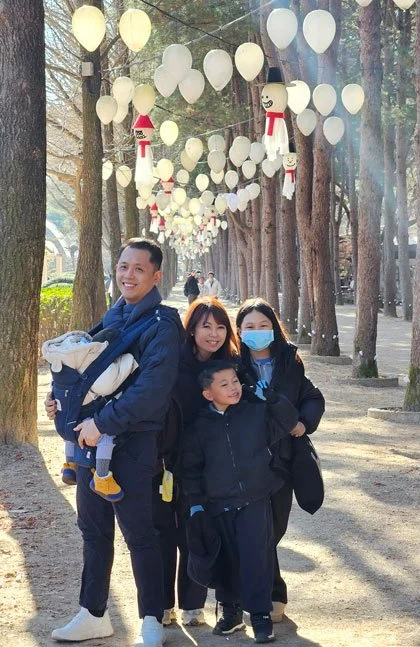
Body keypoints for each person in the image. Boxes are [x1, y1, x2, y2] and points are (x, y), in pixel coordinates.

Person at [47, 238, 184, 647]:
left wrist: (102, 424)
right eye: (123, 267)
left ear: (156, 276)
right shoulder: (113, 315)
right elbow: (91, 375)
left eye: (138, 269)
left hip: (134, 443)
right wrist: (64, 401)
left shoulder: (162, 325)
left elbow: (152, 391)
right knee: (92, 530)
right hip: (91, 443)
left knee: (140, 533)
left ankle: (151, 621)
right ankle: (92, 613)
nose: (128, 275)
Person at [182, 359, 299, 644]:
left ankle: (260, 616)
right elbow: (191, 469)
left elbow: (287, 422)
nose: (233, 388)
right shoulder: (199, 427)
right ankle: (231, 613)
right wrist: (196, 505)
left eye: (235, 381)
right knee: (226, 561)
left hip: (255, 501)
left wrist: (272, 399)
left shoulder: (254, 413)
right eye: (224, 384)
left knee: (256, 558)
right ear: (208, 393)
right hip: (218, 505)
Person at [235, 298, 325, 624]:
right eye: (250, 327)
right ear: (239, 331)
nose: (257, 332)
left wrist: (304, 422)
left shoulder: (289, 361)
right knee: (260, 528)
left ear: (273, 328)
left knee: (277, 526)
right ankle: (271, 592)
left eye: (263, 326)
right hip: (247, 461)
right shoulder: (233, 365)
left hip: (283, 460)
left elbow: (312, 396)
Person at [153, 297, 239, 628]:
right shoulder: (173, 364)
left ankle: (193, 604)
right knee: (163, 532)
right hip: (167, 459)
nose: (213, 334)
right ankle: (161, 604)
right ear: (191, 330)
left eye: (220, 327)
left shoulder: (231, 367)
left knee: (197, 530)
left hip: (210, 465)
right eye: (205, 326)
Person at [42, 328, 138, 500]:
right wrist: (129, 358)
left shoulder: (63, 366)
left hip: (64, 422)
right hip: (85, 422)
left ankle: (69, 465)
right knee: (106, 436)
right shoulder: (96, 371)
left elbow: (54, 391)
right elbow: (123, 368)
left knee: (69, 433)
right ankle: (102, 477)